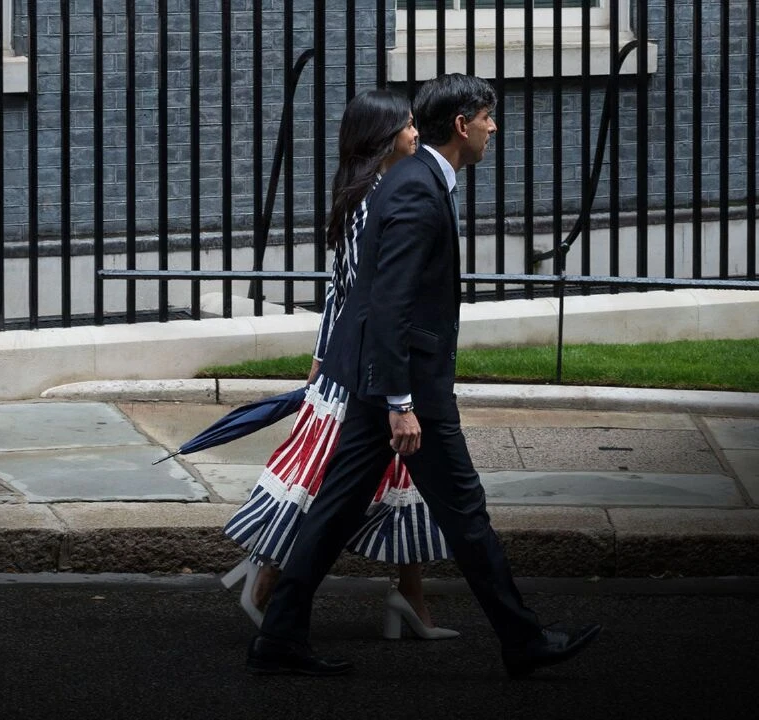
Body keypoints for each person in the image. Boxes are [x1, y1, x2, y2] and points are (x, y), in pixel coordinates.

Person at [245, 74, 602, 678]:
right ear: (462, 126)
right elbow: (391, 302)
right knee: (466, 511)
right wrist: (401, 401)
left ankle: (279, 635)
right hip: (403, 384)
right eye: (488, 116)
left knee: (335, 509)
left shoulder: (417, 179)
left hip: (372, 376)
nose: (494, 127)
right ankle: (524, 641)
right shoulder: (417, 187)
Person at [223, 89, 458, 641]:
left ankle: (411, 599)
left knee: (403, 481)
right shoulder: (375, 200)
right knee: (329, 487)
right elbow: (353, 292)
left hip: (367, 364)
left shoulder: (384, 190)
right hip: (361, 370)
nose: (415, 131)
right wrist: (326, 357)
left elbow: (342, 289)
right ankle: (268, 581)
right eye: (405, 124)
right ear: (383, 138)